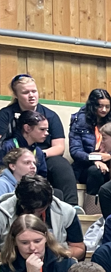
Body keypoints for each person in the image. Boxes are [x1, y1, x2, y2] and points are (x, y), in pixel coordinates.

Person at [0, 74, 77, 204]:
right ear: (16, 95)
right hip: (12, 155)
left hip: (42, 154)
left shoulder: (51, 115)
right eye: (25, 92)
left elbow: (59, 147)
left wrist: (36, 155)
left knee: (61, 164)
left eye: (34, 91)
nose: (31, 95)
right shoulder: (5, 114)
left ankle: (72, 205)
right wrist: (21, 157)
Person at [0, 175, 86, 261]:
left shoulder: (67, 212)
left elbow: (79, 248)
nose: (35, 215)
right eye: (29, 211)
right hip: (11, 266)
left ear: (49, 203)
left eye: (40, 210)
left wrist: (55, 256)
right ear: (19, 201)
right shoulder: (2, 213)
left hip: (54, 264)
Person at [68, 89, 111, 199]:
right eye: (100, 106)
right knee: (96, 171)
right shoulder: (79, 120)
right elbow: (75, 150)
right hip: (85, 166)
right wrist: (95, 159)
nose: (104, 110)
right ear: (92, 105)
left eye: (107, 106)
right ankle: (92, 207)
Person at [0, 110, 49, 180]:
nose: (46, 133)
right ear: (27, 128)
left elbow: (42, 176)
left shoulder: (38, 151)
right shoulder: (8, 146)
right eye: (42, 129)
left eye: (47, 129)